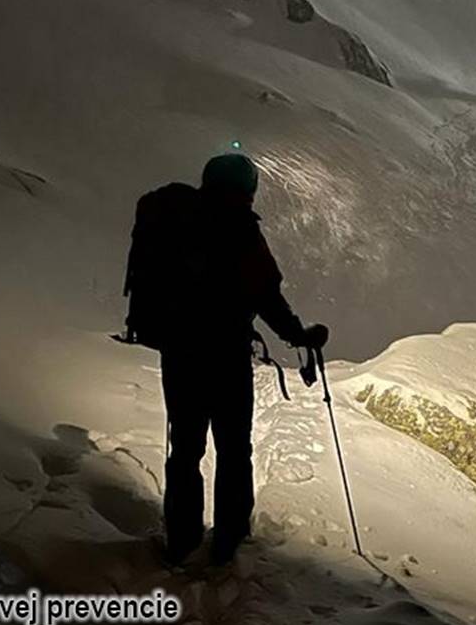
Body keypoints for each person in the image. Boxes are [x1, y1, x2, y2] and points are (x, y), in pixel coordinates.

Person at [125, 152, 326, 567]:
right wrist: (299, 336)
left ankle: (181, 539)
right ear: (247, 191)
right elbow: (267, 297)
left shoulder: (174, 220)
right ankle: (230, 540)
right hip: (226, 357)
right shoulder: (240, 230)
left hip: (180, 354)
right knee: (234, 448)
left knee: (185, 449)